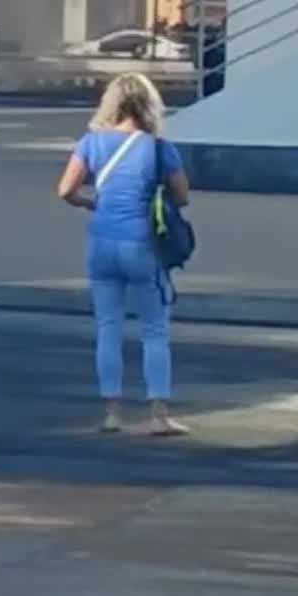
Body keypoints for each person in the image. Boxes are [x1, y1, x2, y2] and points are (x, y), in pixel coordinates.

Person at [57, 72, 191, 436]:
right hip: (142, 245)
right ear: (150, 106)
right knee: (154, 329)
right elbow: (182, 196)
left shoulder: (91, 143)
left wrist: (92, 203)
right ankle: (159, 414)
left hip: (101, 244)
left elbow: (66, 189)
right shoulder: (160, 148)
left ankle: (112, 413)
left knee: (108, 327)